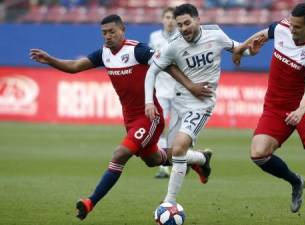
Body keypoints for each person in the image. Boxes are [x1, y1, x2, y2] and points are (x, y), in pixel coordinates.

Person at [29, 14, 210, 221]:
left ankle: (90, 202)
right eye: (104, 33)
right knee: (153, 160)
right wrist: (50, 60)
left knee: (120, 154)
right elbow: (74, 67)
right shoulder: (104, 54)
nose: (108, 36)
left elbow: (167, 64)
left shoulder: (137, 50)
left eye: (112, 32)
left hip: (149, 116)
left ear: (123, 30)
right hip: (130, 120)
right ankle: (199, 159)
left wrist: (190, 86)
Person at [232, 3, 305, 225]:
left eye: (297, 27)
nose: (291, 30)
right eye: (291, 24)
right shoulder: (283, 27)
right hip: (275, 107)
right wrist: (241, 49)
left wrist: (300, 111)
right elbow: (263, 35)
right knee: (258, 153)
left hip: (304, 107)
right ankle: (295, 182)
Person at [144, 3, 251, 204]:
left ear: (198, 20)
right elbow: (151, 71)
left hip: (202, 104)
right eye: (180, 25)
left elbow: (240, 48)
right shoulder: (173, 44)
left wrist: (248, 49)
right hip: (178, 101)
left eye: (187, 23)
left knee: (178, 149)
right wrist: (149, 101)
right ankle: (202, 159)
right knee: (172, 154)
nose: (184, 28)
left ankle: (169, 202)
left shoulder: (216, 34)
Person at [149, 7, 178, 178]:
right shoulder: (154, 37)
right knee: (159, 128)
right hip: (160, 90)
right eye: (167, 17)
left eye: (173, 18)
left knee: (176, 130)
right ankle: (163, 167)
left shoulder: (180, 37)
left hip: (178, 90)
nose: (170, 20)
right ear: (162, 19)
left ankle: (181, 160)